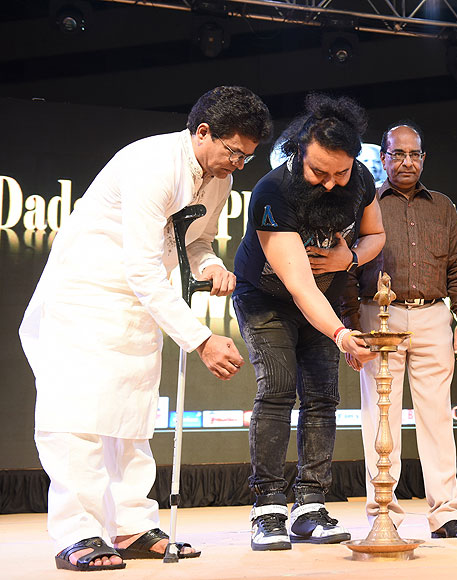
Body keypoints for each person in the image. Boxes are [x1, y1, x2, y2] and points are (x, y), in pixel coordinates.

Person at [19, 86, 272, 571]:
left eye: (247, 157)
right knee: (79, 422)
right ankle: (79, 534)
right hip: (87, 296)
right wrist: (200, 339)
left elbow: (192, 243)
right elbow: (139, 265)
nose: (238, 165)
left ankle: (131, 525)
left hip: (140, 304)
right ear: (203, 133)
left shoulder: (218, 179)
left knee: (131, 420)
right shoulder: (153, 164)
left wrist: (211, 264)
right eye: (234, 152)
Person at [232, 93, 384, 551]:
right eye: (320, 172)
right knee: (277, 389)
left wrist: (350, 255)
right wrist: (341, 334)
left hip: (325, 300)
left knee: (322, 396)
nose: (333, 183)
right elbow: (299, 286)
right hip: (267, 298)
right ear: (298, 152)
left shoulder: (358, 179)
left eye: (341, 172)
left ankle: (309, 505)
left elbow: (376, 234)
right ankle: (268, 507)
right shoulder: (272, 193)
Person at [342, 122, 457, 539]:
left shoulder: (443, 206)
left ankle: (446, 514)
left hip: (434, 316)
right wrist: (349, 326)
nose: (405, 162)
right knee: (378, 417)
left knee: (437, 416)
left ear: (423, 158)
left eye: (413, 154)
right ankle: (385, 514)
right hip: (376, 319)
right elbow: (346, 266)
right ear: (382, 158)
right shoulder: (365, 204)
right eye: (397, 154)